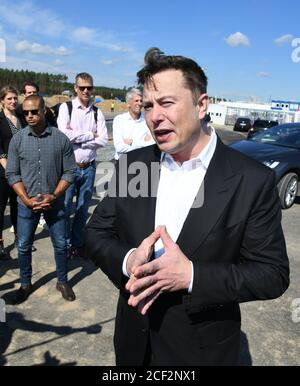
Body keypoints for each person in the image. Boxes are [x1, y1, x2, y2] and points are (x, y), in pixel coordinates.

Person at [85, 48, 290, 366]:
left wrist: (192, 275)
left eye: (166, 102)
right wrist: (128, 260)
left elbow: (271, 274)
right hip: (132, 345)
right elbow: (96, 233)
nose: (154, 116)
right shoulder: (132, 166)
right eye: (149, 105)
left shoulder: (251, 180)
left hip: (200, 352)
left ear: (202, 105)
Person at [6, 95, 76, 304]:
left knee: (61, 245)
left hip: (55, 204)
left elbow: (70, 172)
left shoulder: (60, 139)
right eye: (25, 112)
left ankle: (62, 281)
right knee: (24, 245)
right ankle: (25, 283)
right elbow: (12, 174)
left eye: (34, 111)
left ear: (44, 111)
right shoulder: (17, 140)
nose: (29, 116)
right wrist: (25, 199)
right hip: (26, 205)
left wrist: (54, 195)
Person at [57, 72, 108, 259]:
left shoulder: (97, 112)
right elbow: (64, 136)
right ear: (75, 88)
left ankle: (76, 244)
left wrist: (78, 136)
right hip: (69, 167)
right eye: (82, 87)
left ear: (93, 89)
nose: (86, 91)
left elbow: (103, 140)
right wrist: (90, 135)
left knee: (82, 209)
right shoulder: (66, 108)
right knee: (64, 208)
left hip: (89, 167)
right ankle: (63, 244)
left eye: (89, 87)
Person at [0, 86, 26, 259]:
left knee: (18, 207)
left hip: (21, 171)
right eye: (9, 98)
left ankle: (19, 239)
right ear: (2, 100)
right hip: (3, 172)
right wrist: (10, 170)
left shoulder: (21, 118)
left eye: (15, 98)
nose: (13, 101)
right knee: (1, 208)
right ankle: (0, 243)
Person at [112, 88, 155, 160]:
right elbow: (119, 147)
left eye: (141, 101)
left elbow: (153, 144)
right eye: (136, 101)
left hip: (143, 162)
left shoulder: (147, 119)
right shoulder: (119, 120)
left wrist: (132, 142)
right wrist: (143, 142)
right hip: (123, 163)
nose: (140, 103)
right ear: (128, 104)